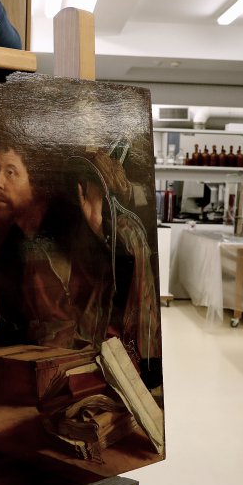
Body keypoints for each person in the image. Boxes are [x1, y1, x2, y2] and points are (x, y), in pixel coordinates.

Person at [69, 149, 162, 389]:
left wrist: (98, 225)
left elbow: (125, 289)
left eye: (87, 183)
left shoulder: (126, 227)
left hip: (128, 348)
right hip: (93, 339)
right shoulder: (88, 226)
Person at [0, 138, 84, 348]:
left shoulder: (72, 226)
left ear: (36, 177)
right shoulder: (8, 250)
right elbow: (17, 327)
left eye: (10, 172)